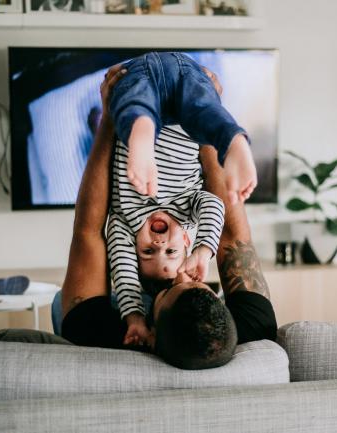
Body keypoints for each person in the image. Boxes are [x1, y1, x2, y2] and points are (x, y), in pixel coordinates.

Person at [61, 64, 277, 368]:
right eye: (199, 283)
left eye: (170, 290)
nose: (177, 274)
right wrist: (204, 119)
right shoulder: (255, 331)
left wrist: (109, 118)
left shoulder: (96, 335)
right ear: (222, 307)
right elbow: (231, 232)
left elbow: (89, 232)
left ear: (150, 337)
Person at [108, 118, 225, 347]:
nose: (159, 244)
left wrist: (135, 318)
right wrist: (203, 251)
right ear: (184, 239)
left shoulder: (126, 221)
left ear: (133, 245)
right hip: (181, 117)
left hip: (136, 114)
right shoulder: (187, 210)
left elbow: (124, 271)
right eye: (171, 251)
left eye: (148, 250)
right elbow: (215, 205)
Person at [108, 51, 257, 205]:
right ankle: (231, 138)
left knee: (136, 101)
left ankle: (141, 122)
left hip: (142, 69)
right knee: (204, 108)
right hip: (184, 67)